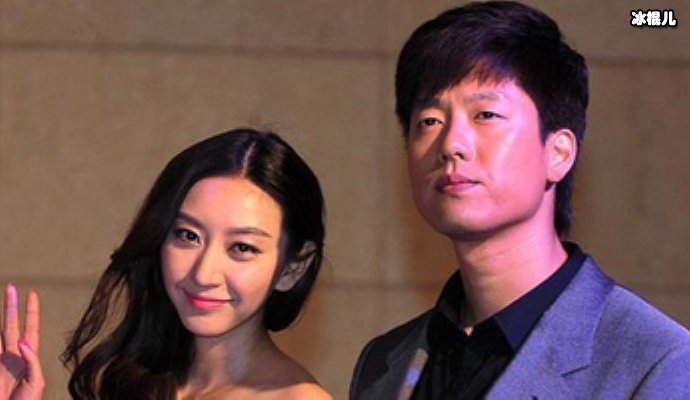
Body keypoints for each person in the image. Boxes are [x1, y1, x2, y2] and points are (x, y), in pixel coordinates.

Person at [350, 1, 690, 399]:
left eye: (485, 115)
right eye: (429, 121)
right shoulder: (383, 362)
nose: (451, 144)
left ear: (559, 153)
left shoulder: (655, 361)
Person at [4, 128, 332, 399]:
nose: (203, 274)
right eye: (188, 236)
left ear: (293, 268)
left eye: (242, 247)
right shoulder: (138, 380)